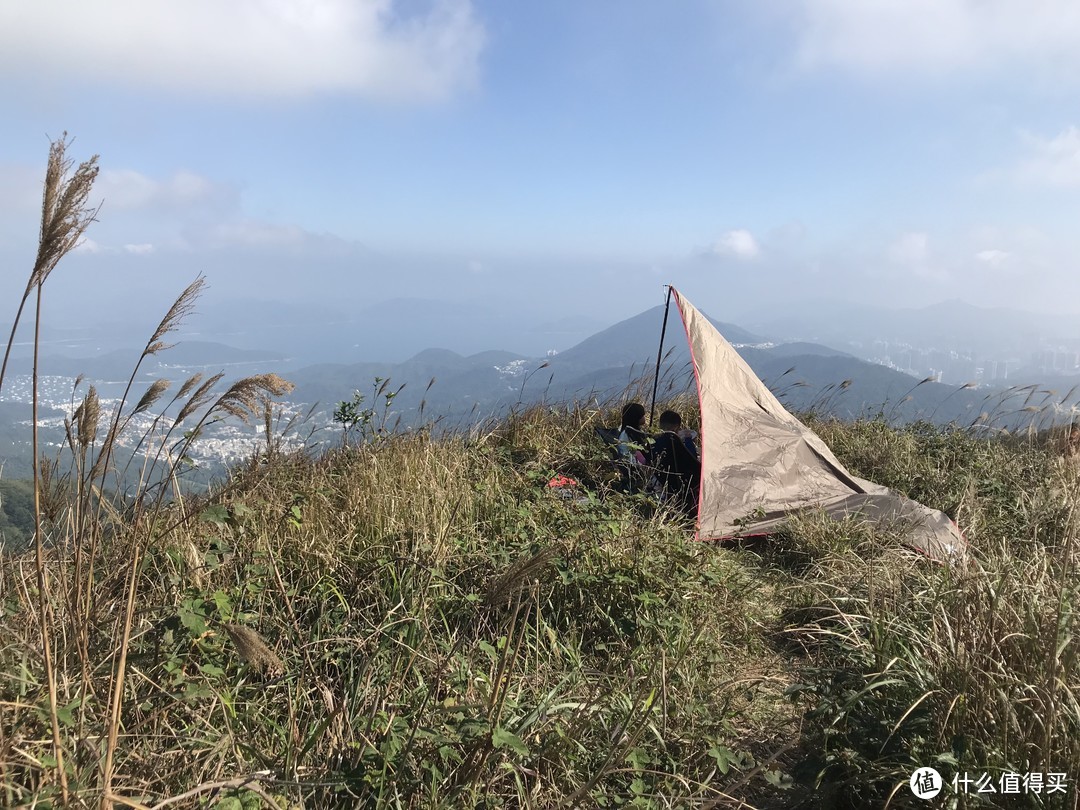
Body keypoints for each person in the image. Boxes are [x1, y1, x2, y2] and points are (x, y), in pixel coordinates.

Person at [651, 410, 701, 515]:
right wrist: (688, 440)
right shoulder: (675, 443)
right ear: (677, 428)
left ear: (660, 424)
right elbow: (692, 457)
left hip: (661, 476)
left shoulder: (653, 441)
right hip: (682, 478)